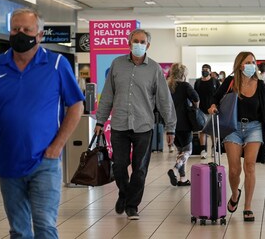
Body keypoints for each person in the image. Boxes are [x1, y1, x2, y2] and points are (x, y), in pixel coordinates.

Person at [0, 8, 84, 238]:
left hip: (45, 161)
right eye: (15, 29)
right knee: (18, 230)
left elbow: (76, 105)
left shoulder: (57, 64)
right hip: (9, 161)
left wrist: (57, 146)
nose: (20, 34)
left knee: (45, 226)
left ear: (39, 35)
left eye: (26, 30)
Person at [94, 28, 176, 220]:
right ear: (129, 43)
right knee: (119, 165)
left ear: (148, 45)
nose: (138, 44)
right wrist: (99, 120)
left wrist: (170, 126)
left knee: (140, 169)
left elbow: (164, 100)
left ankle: (132, 205)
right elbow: (107, 95)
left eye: (142, 42)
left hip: (143, 125)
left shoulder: (154, 69)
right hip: (119, 124)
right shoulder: (117, 64)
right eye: (135, 41)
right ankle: (124, 193)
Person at [208, 51, 265, 222]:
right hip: (233, 128)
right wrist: (212, 106)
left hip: (254, 128)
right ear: (239, 65)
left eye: (253, 62)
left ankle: (247, 207)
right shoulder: (230, 82)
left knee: (249, 166)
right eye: (248, 62)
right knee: (234, 169)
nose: (252, 65)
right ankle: (235, 195)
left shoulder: (261, 85)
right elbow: (215, 97)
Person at [166, 63, 199, 186]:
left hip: (171, 125)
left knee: (180, 151)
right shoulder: (185, 86)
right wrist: (195, 108)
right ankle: (174, 169)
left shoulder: (167, 86)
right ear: (183, 74)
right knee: (188, 151)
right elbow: (196, 97)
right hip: (184, 123)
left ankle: (183, 179)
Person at [194, 64, 220, 159]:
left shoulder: (215, 81)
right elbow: (195, 96)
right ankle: (203, 150)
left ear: (210, 71)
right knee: (202, 130)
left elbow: (219, 95)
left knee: (213, 131)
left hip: (212, 109)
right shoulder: (198, 82)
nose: (204, 71)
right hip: (201, 110)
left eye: (206, 69)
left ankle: (214, 148)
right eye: (203, 69)